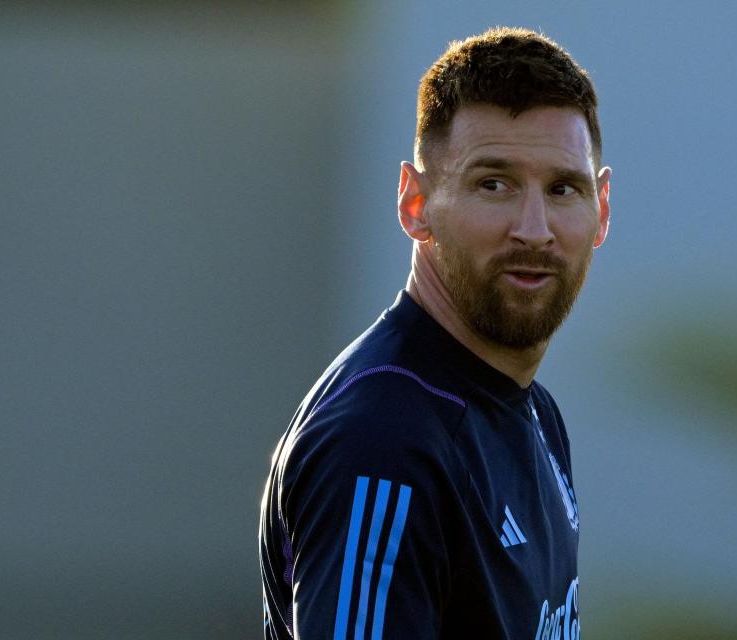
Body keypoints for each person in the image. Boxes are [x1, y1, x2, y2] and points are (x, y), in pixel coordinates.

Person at [259, 26, 611, 639]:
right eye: (493, 184)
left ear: (600, 210)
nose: (534, 228)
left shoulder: (533, 414)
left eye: (562, 189)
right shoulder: (384, 441)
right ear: (415, 204)